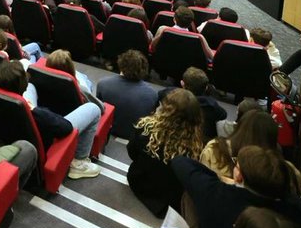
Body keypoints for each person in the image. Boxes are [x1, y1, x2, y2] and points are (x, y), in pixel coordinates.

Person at [173, 146, 301, 228]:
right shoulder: (300, 211)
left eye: (236, 165)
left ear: (239, 175)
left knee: (190, 196)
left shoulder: (218, 194)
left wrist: (220, 179)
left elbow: (180, 162)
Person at [126, 88, 204, 217]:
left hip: (141, 182)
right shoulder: (197, 143)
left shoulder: (146, 127)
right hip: (174, 198)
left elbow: (132, 152)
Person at [95, 50, 159, 140]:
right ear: (144, 69)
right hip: (134, 135)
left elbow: (99, 111)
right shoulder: (152, 94)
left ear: (121, 64)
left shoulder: (103, 84)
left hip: (109, 130)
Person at [160, 67, 226, 143]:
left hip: (170, 137)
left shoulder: (169, 93)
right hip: (198, 142)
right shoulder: (211, 104)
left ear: (182, 84)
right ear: (206, 88)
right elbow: (223, 115)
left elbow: (161, 94)